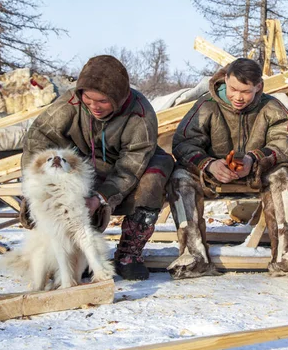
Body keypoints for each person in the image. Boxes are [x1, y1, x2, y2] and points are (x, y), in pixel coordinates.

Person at [21, 55, 174, 280]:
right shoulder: (70, 103)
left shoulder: (140, 113)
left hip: (133, 169)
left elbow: (131, 164)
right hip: (84, 166)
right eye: (89, 99)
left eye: (102, 101)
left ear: (119, 98)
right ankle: (67, 255)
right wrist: (37, 185)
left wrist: (101, 198)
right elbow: (38, 139)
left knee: (154, 177)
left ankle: (129, 254)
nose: (94, 107)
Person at [166, 58, 288, 279]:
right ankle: (193, 256)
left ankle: (287, 254)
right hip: (212, 175)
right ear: (225, 79)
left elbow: (287, 142)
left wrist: (254, 160)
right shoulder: (205, 105)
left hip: (258, 173)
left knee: (283, 175)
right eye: (233, 89)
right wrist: (208, 164)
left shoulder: (271, 107)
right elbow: (183, 143)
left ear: (258, 87)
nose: (238, 97)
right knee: (179, 177)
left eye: (246, 92)